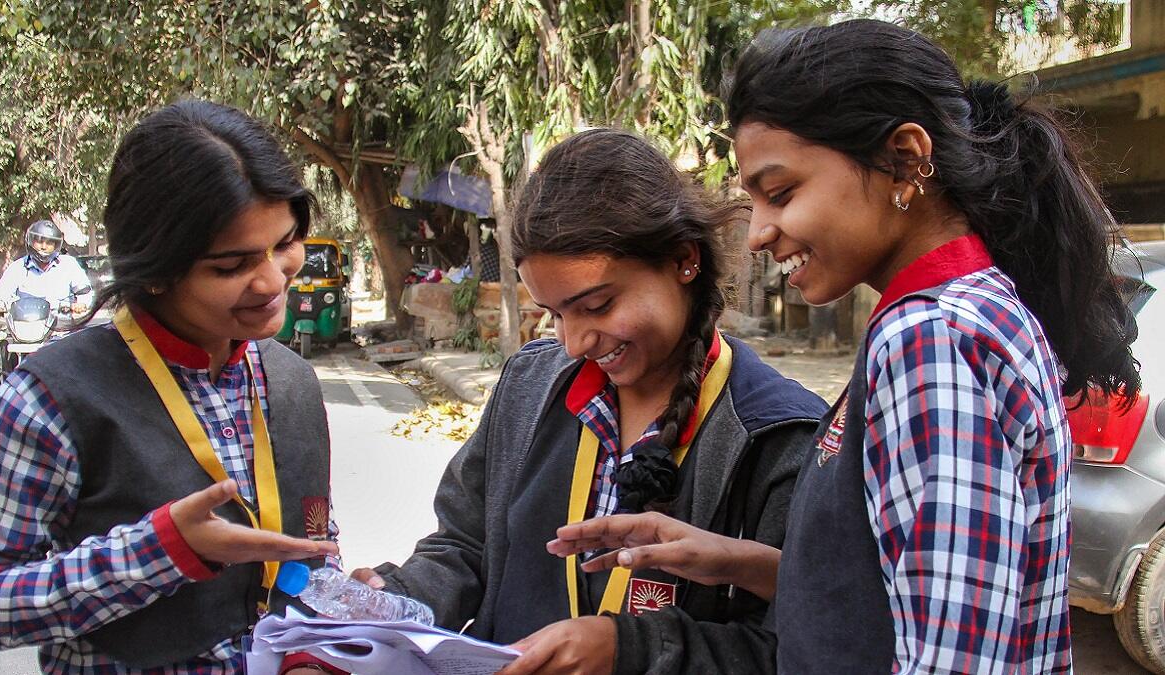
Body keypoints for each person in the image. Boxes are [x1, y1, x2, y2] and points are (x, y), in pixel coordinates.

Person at [548, 18, 1142, 674]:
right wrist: (733, 560)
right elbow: (894, 593)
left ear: (905, 160)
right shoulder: (951, 314)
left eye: (781, 193)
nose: (759, 232)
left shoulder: (930, 340)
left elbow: (955, 656)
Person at [349, 128, 827, 674]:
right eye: (554, 314)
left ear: (683, 260)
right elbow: (464, 543)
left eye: (597, 306)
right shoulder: (531, 385)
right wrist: (397, 599)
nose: (575, 342)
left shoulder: (780, 437)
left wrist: (629, 650)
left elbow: (789, 645)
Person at [0, 100, 347, 675]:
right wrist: (160, 551)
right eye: (232, 266)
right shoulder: (47, 402)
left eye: (285, 243)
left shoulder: (293, 381)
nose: (273, 280)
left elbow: (315, 542)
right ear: (156, 270)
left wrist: (328, 633)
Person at [0, 219, 93, 318]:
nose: (44, 246)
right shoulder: (17, 267)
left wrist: (81, 304)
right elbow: (1, 296)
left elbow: (85, 293)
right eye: (39, 241)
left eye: (49, 243)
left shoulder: (69, 265)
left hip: (62, 326)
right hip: (26, 325)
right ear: (31, 242)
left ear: (56, 245)